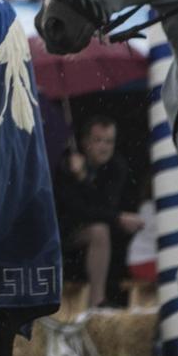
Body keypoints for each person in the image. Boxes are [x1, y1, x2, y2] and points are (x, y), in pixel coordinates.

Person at [54, 116, 142, 308]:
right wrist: (79, 177)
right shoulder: (65, 164)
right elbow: (77, 210)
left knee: (123, 228)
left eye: (109, 141)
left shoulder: (116, 166)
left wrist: (85, 179)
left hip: (98, 229)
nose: (104, 147)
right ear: (85, 143)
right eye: (98, 140)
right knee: (99, 230)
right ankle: (96, 301)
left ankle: (110, 297)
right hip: (62, 232)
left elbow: (106, 207)